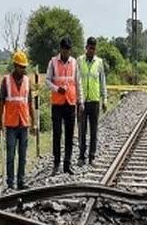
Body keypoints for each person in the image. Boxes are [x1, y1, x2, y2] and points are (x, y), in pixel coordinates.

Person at [0, 51, 37, 190]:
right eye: (21, 66)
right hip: (11, 124)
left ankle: (21, 181)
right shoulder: (6, 81)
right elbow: (1, 102)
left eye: (24, 66)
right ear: (15, 65)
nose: (23, 69)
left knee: (23, 155)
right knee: (10, 155)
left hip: (24, 123)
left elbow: (29, 102)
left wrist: (34, 122)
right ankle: (10, 182)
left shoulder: (27, 81)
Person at [46, 37, 83, 175]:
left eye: (68, 50)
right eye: (64, 49)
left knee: (69, 135)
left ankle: (67, 165)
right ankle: (56, 164)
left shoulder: (74, 63)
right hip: (57, 104)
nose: (66, 52)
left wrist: (81, 101)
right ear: (60, 49)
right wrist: (56, 89)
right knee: (57, 134)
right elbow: (47, 81)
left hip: (70, 103)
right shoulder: (53, 62)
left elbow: (78, 83)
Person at [77, 37, 107, 167]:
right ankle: (81, 156)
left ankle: (92, 157)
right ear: (86, 47)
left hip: (95, 101)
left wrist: (104, 98)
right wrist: (77, 100)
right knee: (82, 131)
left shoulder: (99, 62)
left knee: (94, 131)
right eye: (90, 48)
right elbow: (77, 81)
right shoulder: (79, 61)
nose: (92, 51)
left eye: (94, 49)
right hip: (82, 101)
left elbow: (102, 82)